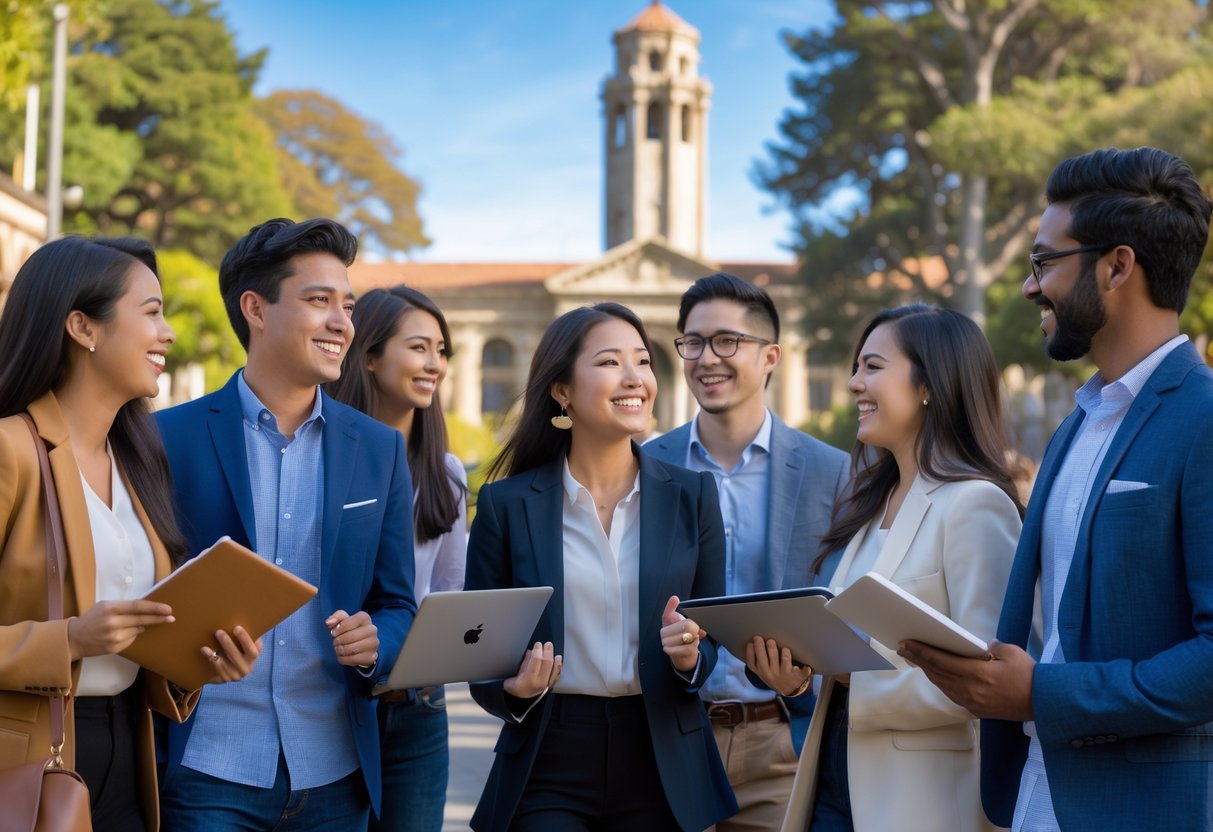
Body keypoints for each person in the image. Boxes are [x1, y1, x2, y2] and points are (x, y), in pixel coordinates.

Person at [901, 147, 1213, 831]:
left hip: (1144, 810)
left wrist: (1043, 694)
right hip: (1035, 797)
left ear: (1116, 266)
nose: (1027, 287)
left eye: (1044, 262)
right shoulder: (1076, 425)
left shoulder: (1202, 419)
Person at [154, 218, 417, 830]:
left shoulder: (379, 450)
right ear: (256, 309)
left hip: (335, 773)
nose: (342, 323)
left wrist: (378, 641)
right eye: (318, 301)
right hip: (207, 768)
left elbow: (398, 602)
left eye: (346, 305)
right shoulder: (167, 438)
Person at [0, 236, 259, 832]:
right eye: (151, 312)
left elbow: (133, 643)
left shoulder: (138, 461)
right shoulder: (12, 451)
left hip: (129, 751)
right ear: (83, 328)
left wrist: (198, 663)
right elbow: (86, 637)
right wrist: (69, 639)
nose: (167, 333)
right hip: (28, 757)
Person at [464, 302, 738, 831]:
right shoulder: (506, 504)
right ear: (562, 391)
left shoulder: (693, 496)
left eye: (642, 360)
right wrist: (512, 689)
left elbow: (711, 639)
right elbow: (478, 651)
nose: (635, 377)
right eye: (611, 362)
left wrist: (688, 659)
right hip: (549, 755)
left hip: (661, 757)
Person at [759, 303, 1023, 831]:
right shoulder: (869, 508)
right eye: (857, 368)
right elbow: (844, 662)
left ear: (929, 384)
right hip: (832, 783)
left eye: (872, 367)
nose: (854, 383)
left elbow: (990, 684)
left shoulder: (975, 505)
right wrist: (795, 678)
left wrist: (854, 680)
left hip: (918, 802)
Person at [644, 272, 847, 830]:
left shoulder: (831, 471)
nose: (707, 358)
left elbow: (847, 608)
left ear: (771, 357)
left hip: (781, 741)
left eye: (727, 341)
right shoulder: (645, 466)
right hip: (669, 741)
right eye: (693, 342)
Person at [325, 285, 468, 832]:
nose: (435, 364)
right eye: (419, 348)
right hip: (335, 702)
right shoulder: (328, 458)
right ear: (368, 356)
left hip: (416, 709)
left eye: (442, 350)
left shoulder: (446, 473)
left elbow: (449, 594)